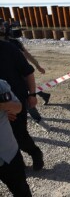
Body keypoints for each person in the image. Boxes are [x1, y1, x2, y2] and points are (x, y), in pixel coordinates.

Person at [0, 40, 44, 171]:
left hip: (15, 102)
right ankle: (16, 165)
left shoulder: (8, 48)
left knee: (19, 135)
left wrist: (32, 95)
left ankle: (35, 153)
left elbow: (28, 72)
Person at [1, 20, 50, 123]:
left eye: (2, 26)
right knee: (28, 90)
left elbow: (27, 55)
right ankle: (44, 95)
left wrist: (38, 66)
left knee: (27, 97)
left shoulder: (13, 43)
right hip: (9, 78)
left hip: (19, 75)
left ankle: (38, 120)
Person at [0, 79, 32, 196]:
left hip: (9, 153)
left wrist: (4, 106)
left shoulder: (1, 85)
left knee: (21, 190)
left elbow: (18, 107)